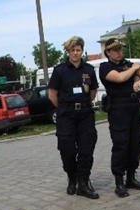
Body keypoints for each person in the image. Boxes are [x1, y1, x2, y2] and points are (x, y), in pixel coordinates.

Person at [99, 38, 140, 198]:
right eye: (115, 50)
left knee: (134, 143)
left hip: (133, 106)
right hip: (118, 109)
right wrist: (134, 68)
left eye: (120, 49)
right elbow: (120, 78)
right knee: (121, 144)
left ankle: (131, 177)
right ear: (108, 52)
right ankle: (119, 182)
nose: (119, 53)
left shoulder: (127, 63)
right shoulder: (105, 67)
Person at [48, 36, 99, 199]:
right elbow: (52, 95)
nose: (75, 53)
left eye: (78, 50)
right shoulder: (60, 70)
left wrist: (81, 104)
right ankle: (72, 178)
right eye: (72, 50)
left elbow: (92, 92)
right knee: (67, 150)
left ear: (82, 51)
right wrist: (66, 107)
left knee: (86, 150)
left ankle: (83, 183)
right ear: (68, 51)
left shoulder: (89, 70)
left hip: (85, 114)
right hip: (66, 115)